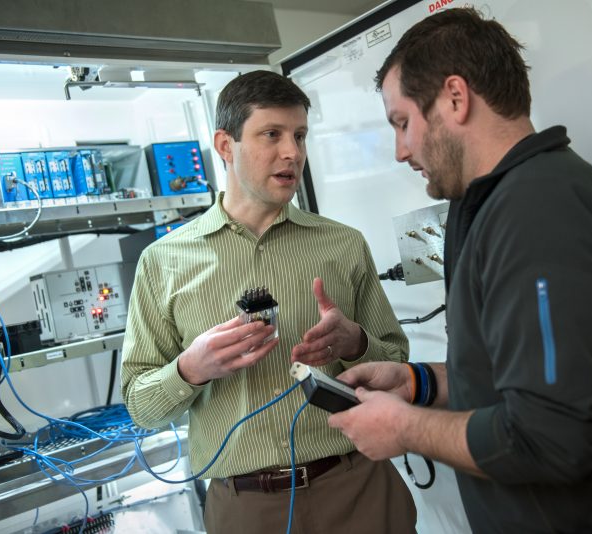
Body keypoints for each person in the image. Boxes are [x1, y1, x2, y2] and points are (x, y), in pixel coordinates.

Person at [327, 7, 592, 533]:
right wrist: (416, 384)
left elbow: (552, 438)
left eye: (402, 123)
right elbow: (517, 382)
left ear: (455, 99)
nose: (400, 151)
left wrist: (406, 429)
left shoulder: (540, 210)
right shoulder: (490, 206)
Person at [121, 70, 416, 533]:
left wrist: (356, 343)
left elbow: (399, 364)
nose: (292, 153)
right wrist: (191, 369)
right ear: (225, 145)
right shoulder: (163, 262)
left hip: (356, 487)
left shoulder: (343, 245)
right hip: (245, 509)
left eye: (299, 136)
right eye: (271, 135)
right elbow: (140, 406)